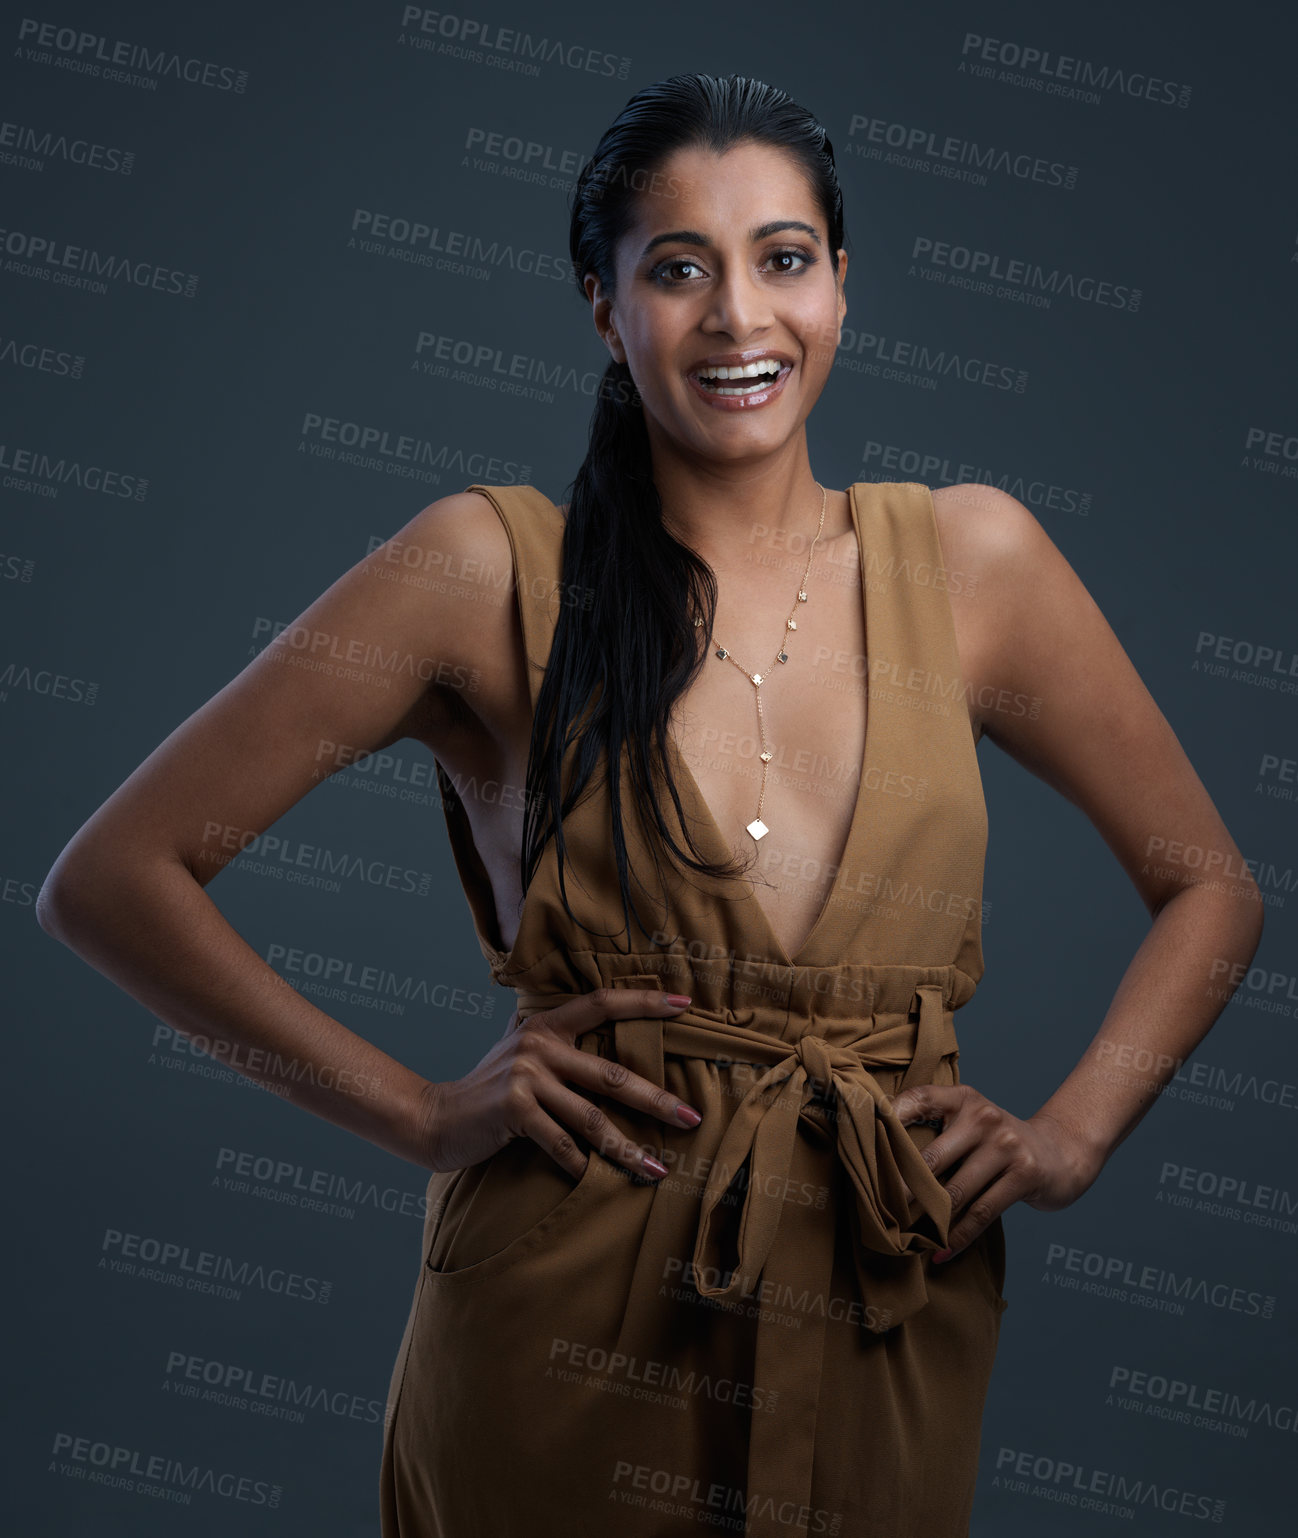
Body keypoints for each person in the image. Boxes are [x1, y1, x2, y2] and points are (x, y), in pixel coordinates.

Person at [38, 72, 1263, 1538]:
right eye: (678, 269)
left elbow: (1210, 883)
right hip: (557, 1322)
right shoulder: (482, 570)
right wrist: (427, 1110)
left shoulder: (972, 560)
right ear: (602, 307)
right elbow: (113, 875)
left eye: (782, 258)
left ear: (842, 287)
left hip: (881, 1293)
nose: (740, 317)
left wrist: (1070, 1135)